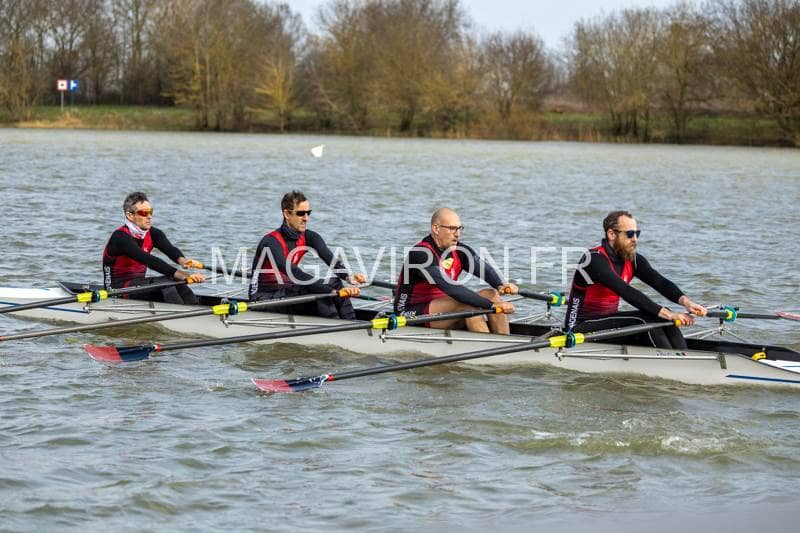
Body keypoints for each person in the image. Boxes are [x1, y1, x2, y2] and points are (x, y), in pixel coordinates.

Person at [564, 210, 707, 349]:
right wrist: (669, 314)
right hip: (580, 328)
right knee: (647, 319)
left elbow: (660, 282)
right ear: (611, 234)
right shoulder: (593, 259)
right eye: (630, 234)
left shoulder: (632, 260)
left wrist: (687, 302)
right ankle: (673, 361)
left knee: (662, 316)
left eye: (637, 233)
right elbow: (626, 291)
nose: (635, 239)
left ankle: (682, 355)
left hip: (609, 323)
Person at [393, 208, 516, 333]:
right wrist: (491, 306)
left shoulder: (460, 251)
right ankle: (486, 342)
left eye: (459, 228)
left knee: (491, 294)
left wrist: (500, 285)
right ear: (436, 229)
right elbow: (451, 288)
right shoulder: (421, 254)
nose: (457, 234)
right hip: (410, 313)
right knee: (467, 305)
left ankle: (504, 339)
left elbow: (485, 269)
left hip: (444, 308)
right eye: (452, 229)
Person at [249, 190, 363, 319]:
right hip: (262, 299)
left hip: (288, 292)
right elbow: (295, 273)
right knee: (319, 290)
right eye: (300, 213)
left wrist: (349, 277)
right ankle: (336, 325)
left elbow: (332, 262)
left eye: (308, 213)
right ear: (287, 214)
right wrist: (332, 292)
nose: (306, 218)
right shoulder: (271, 242)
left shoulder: (310, 237)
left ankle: (351, 322)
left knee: (334, 282)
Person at [102, 191, 205, 304]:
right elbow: (149, 260)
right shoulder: (120, 237)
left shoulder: (153, 234)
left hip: (138, 285)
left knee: (175, 281)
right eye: (144, 213)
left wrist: (184, 261)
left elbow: (170, 249)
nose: (149, 216)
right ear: (130, 216)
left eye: (150, 212)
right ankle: (181, 311)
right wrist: (184, 276)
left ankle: (195, 307)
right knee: (166, 282)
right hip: (116, 290)